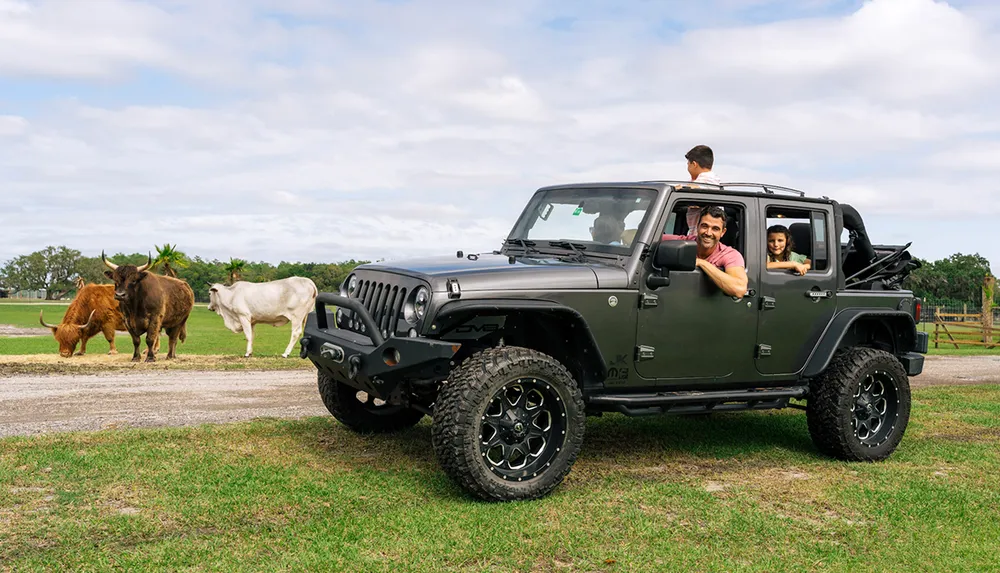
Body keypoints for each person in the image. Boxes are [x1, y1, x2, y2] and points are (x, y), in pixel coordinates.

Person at [663, 205, 748, 298]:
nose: (708, 233)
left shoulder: (729, 254)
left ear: (723, 232)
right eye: (704, 226)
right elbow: (649, 240)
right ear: (697, 227)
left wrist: (702, 263)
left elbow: (739, 290)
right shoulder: (683, 242)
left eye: (715, 229)